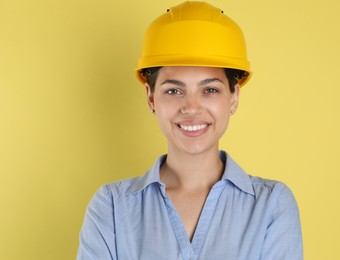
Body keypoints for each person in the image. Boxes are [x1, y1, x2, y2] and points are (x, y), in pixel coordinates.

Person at [77, 1, 303, 259]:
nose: (191, 108)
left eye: (210, 90)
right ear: (151, 98)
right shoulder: (111, 207)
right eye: (174, 90)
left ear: (233, 97)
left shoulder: (271, 205)